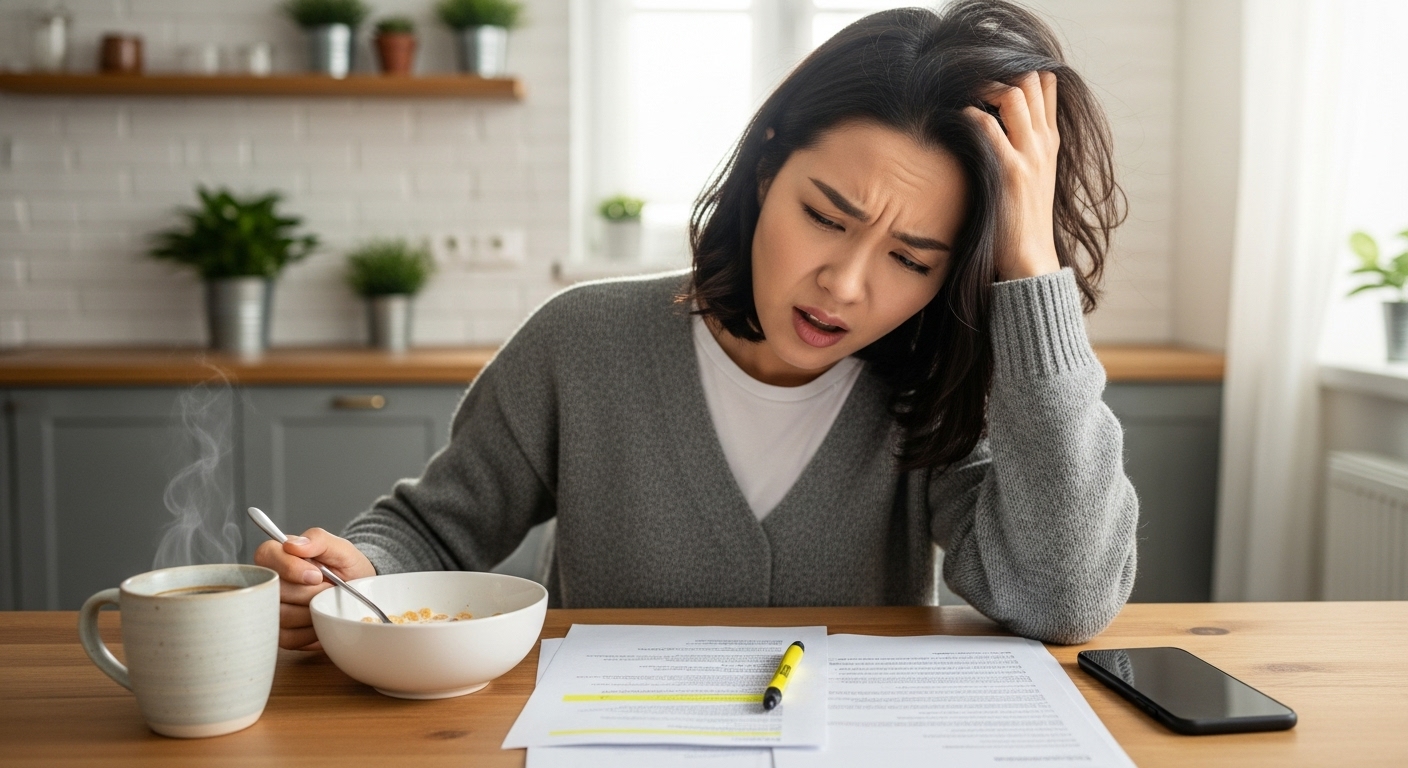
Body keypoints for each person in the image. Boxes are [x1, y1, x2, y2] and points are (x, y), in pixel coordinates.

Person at [257, 0, 1137, 649]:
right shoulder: (581, 342)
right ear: (763, 172)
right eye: (826, 215)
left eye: (912, 259)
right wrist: (357, 573)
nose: (845, 282)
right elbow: (436, 532)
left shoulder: (943, 388)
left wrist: (1034, 271)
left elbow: (1063, 597)